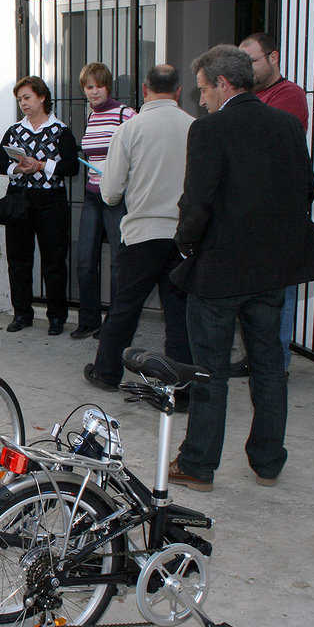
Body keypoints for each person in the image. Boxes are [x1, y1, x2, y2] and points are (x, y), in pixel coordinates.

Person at [170, 45, 314, 491]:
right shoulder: (287, 125)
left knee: (210, 371)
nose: (201, 99)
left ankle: (198, 464)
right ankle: (268, 460)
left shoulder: (208, 129)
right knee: (269, 366)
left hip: (219, 271)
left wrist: (185, 245)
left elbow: (197, 201)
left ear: (223, 84)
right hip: (271, 270)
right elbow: (307, 188)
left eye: (203, 90)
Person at [82, 65, 194, 395]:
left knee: (124, 309)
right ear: (178, 91)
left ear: (145, 90)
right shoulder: (194, 127)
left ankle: (106, 373)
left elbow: (110, 193)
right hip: (182, 236)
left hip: (142, 234)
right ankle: (181, 387)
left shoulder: (129, 129)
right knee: (179, 315)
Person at [238, 32, 311, 375]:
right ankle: (257, 358)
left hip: (279, 212)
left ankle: (275, 364)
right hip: (253, 210)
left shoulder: (289, 95)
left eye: (252, 61)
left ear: (273, 57)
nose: (247, 69)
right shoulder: (252, 97)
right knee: (255, 293)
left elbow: (261, 145)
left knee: (280, 293)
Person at [0, 76, 79, 335]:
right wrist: (19, 168)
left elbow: (71, 166)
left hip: (51, 201)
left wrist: (41, 165)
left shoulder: (60, 130)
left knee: (54, 260)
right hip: (20, 199)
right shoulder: (14, 131)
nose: (23, 103)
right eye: (20, 99)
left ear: (42, 97)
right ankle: (22, 313)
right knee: (18, 260)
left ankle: (56, 317)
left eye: (27, 97)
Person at [72, 63, 136, 340]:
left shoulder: (125, 114)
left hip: (116, 198)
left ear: (108, 87)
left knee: (119, 263)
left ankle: (115, 324)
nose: (94, 91)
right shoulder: (91, 116)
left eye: (99, 85)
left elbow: (138, 152)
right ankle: (89, 320)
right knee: (85, 260)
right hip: (91, 195)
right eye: (89, 87)